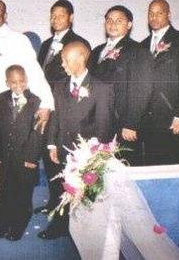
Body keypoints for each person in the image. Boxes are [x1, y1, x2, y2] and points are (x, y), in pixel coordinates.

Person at [44, 41, 114, 239]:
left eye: (66, 61)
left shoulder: (101, 88)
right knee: (62, 189)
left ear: (81, 58)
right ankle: (59, 226)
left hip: (85, 154)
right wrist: (52, 144)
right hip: (62, 148)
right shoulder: (59, 85)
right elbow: (55, 117)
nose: (63, 65)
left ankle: (85, 233)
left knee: (85, 195)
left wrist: (95, 157)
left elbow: (103, 126)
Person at [35, 0, 90, 214]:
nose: (55, 19)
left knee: (62, 161)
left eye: (60, 15)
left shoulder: (79, 43)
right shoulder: (46, 44)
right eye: (53, 15)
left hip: (64, 111)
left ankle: (64, 209)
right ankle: (52, 202)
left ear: (71, 18)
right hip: (45, 108)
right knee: (49, 158)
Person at [0, 0, 54, 131]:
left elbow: (33, 71)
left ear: (5, 16)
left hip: (5, 107)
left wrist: (46, 102)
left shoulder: (17, 39)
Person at [88, 5, 152, 165]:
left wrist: (131, 123)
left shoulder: (138, 50)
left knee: (122, 175)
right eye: (109, 20)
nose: (112, 24)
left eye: (119, 20)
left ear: (129, 24)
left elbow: (142, 89)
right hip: (98, 123)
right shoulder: (96, 51)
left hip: (122, 125)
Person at [0, 65, 42, 241]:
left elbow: (38, 132)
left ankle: (18, 225)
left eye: (21, 81)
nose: (18, 85)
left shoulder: (36, 101)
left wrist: (31, 158)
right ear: (7, 83)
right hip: (3, 157)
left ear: (26, 81)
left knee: (22, 193)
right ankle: (2, 223)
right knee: (3, 192)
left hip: (25, 158)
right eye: (13, 82)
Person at [139, 0, 179, 165]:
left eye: (159, 13)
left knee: (173, 165)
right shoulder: (141, 45)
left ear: (169, 14)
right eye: (151, 13)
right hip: (147, 120)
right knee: (151, 164)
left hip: (172, 118)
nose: (154, 17)